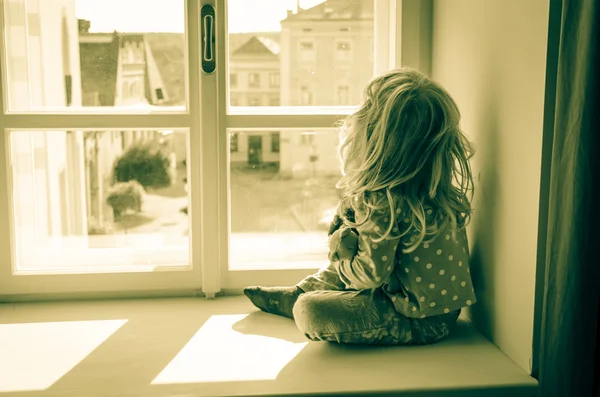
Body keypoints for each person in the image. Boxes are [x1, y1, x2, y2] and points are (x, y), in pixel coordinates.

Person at [244, 67, 477, 346]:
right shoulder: (433, 193)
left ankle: (300, 297)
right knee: (342, 267)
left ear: (376, 144)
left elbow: (367, 276)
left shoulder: (382, 202)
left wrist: (340, 254)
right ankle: (300, 291)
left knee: (310, 309)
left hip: (415, 320)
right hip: (442, 311)